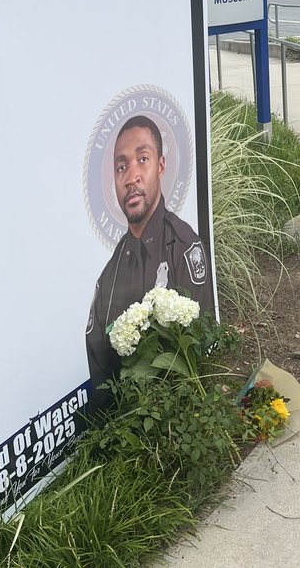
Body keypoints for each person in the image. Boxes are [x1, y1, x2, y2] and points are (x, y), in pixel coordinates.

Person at [85, 114, 211, 405]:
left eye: (143, 159)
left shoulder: (183, 247)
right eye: (121, 166)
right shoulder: (110, 275)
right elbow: (98, 355)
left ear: (161, 166)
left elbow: (198, 346)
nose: (131, 178)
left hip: (175, 417)